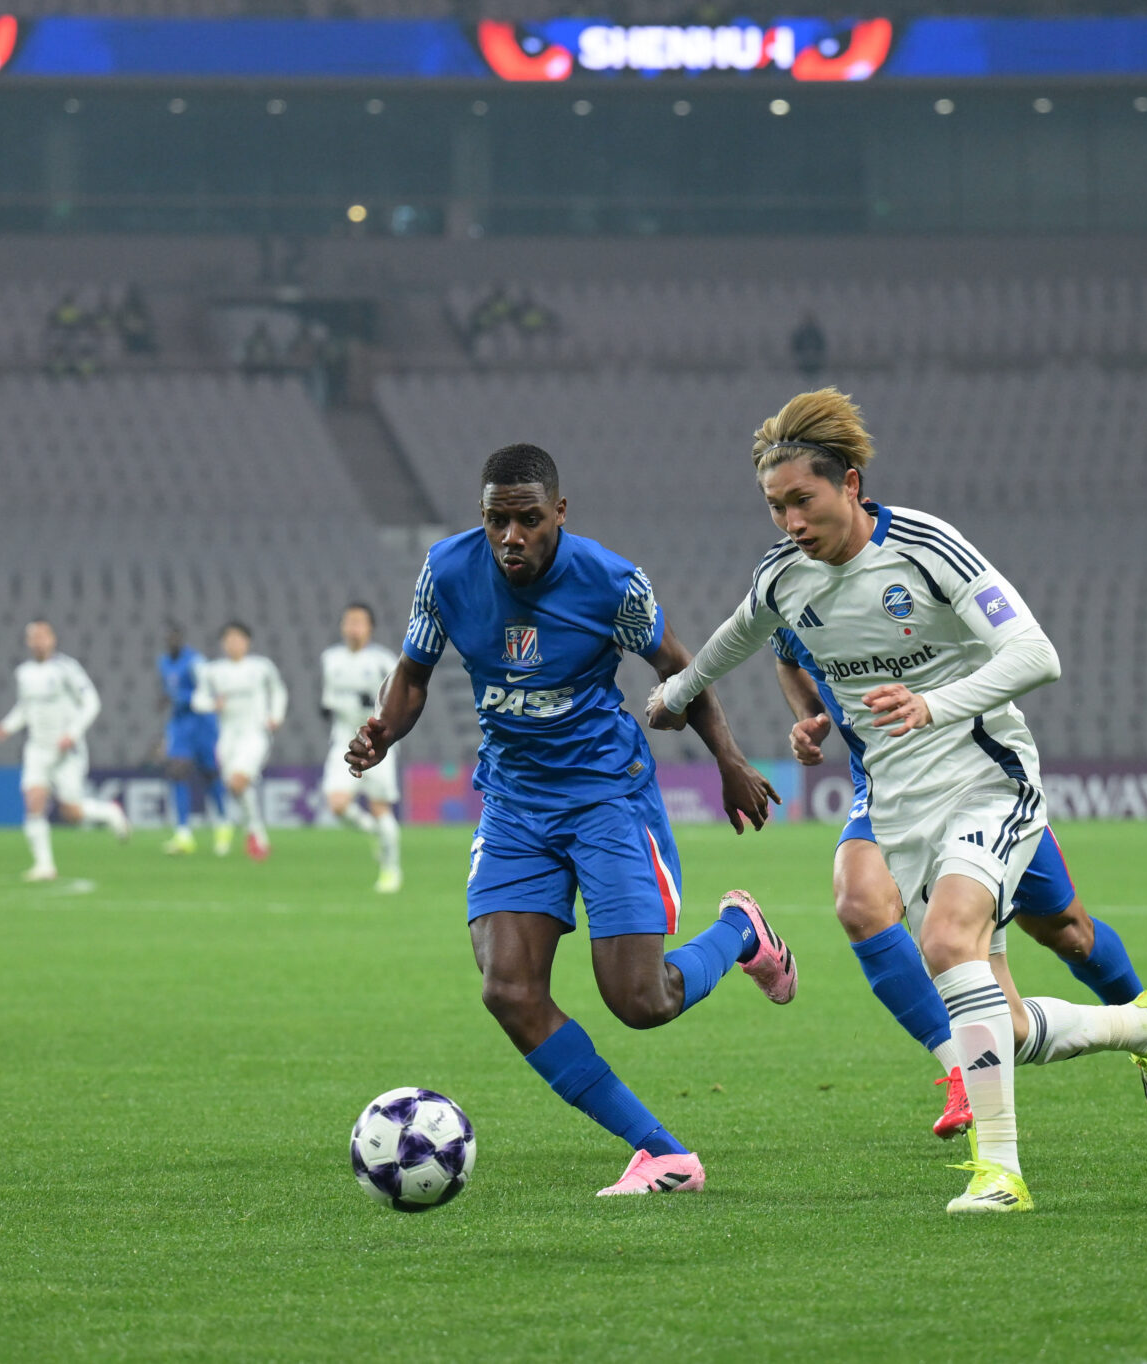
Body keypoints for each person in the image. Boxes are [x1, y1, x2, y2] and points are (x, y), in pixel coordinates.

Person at [648, 388, 1147, 1213]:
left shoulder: (925, 547)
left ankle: (1000, 1173)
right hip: (899, 804)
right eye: (775, 506)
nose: (791, 521)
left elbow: (1036, 654)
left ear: (851, 484)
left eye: (803, 500)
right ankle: (1145, 1026)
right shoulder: (783, 576)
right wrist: (681, 691)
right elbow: (741, 634)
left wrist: (935, 704)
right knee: (1003, 1027)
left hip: (985, 778)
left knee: (955, 940)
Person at [345, 443, 798, 1199]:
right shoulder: (446, 572)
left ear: (559, 512)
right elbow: (413, 675)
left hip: (604, 798)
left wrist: (728, 759)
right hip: (515, 805)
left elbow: (680, 669)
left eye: (527, 519)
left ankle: (740, 933)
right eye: (496, 520)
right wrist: (384, 731)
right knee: (508, 990)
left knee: (642, 1002)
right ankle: (663, 1153)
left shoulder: (612, 583)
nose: (510, 537)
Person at [770, 624, 1147, 1141]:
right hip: (888, 789)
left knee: (1067, 932)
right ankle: (960, 1066)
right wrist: (809, 715)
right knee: (859, 903)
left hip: (976, 781)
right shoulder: (790, 597)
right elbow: (786, 655)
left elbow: (1016, 653)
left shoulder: (926, 581)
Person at [0, 619, 129, 881]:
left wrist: (73, 733)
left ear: (52, 639)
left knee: (71, 813)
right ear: (28, 642)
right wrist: (7, 727)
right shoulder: (24, 673)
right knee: (33, 800)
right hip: (37, 748)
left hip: (66, 750)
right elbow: (25, 708)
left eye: (43, 636)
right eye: (34, 637)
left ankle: (111, 813)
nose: (39, 642)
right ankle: (44, 866)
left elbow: (92, 702)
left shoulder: (67, 669)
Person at [319, 602, 403, 893]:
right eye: (349, 622)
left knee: (380, 806)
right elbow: (327, 701)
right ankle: (372, 831)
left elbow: (397, 701)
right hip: (344, 740)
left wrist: (375, 710)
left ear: (370, 628)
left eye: (359, 622)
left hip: (376, 743)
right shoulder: (330, 659)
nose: (353, 628)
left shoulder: (383, 661)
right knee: (337, 804)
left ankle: (391, 869)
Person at [194, 621, 288, 862]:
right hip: (227, 737)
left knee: (239, 780)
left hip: (255, 733)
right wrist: (212, 704)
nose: (233, 644)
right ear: (222, 643)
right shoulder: (213, 671)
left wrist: (276, 715)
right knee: (237, 787)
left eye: (238, 639)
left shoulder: (261, 667)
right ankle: (256, 834)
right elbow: (198, 700)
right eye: (229, 639)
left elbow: (278, 690)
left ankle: (252, 833)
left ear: (248, 642)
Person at [156, 623, 227, 855]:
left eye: (175, 637)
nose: (172, 641)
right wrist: (167, 699)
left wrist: (186, 698)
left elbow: (208, 690)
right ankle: (183, 833)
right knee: (177, 772)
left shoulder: (196, 662)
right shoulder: (163, 662)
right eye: (168, 637)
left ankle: (223, 823)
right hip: (180, 725)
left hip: (202, 723)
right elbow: (170, 689)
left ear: (182, 639)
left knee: (210, 775)